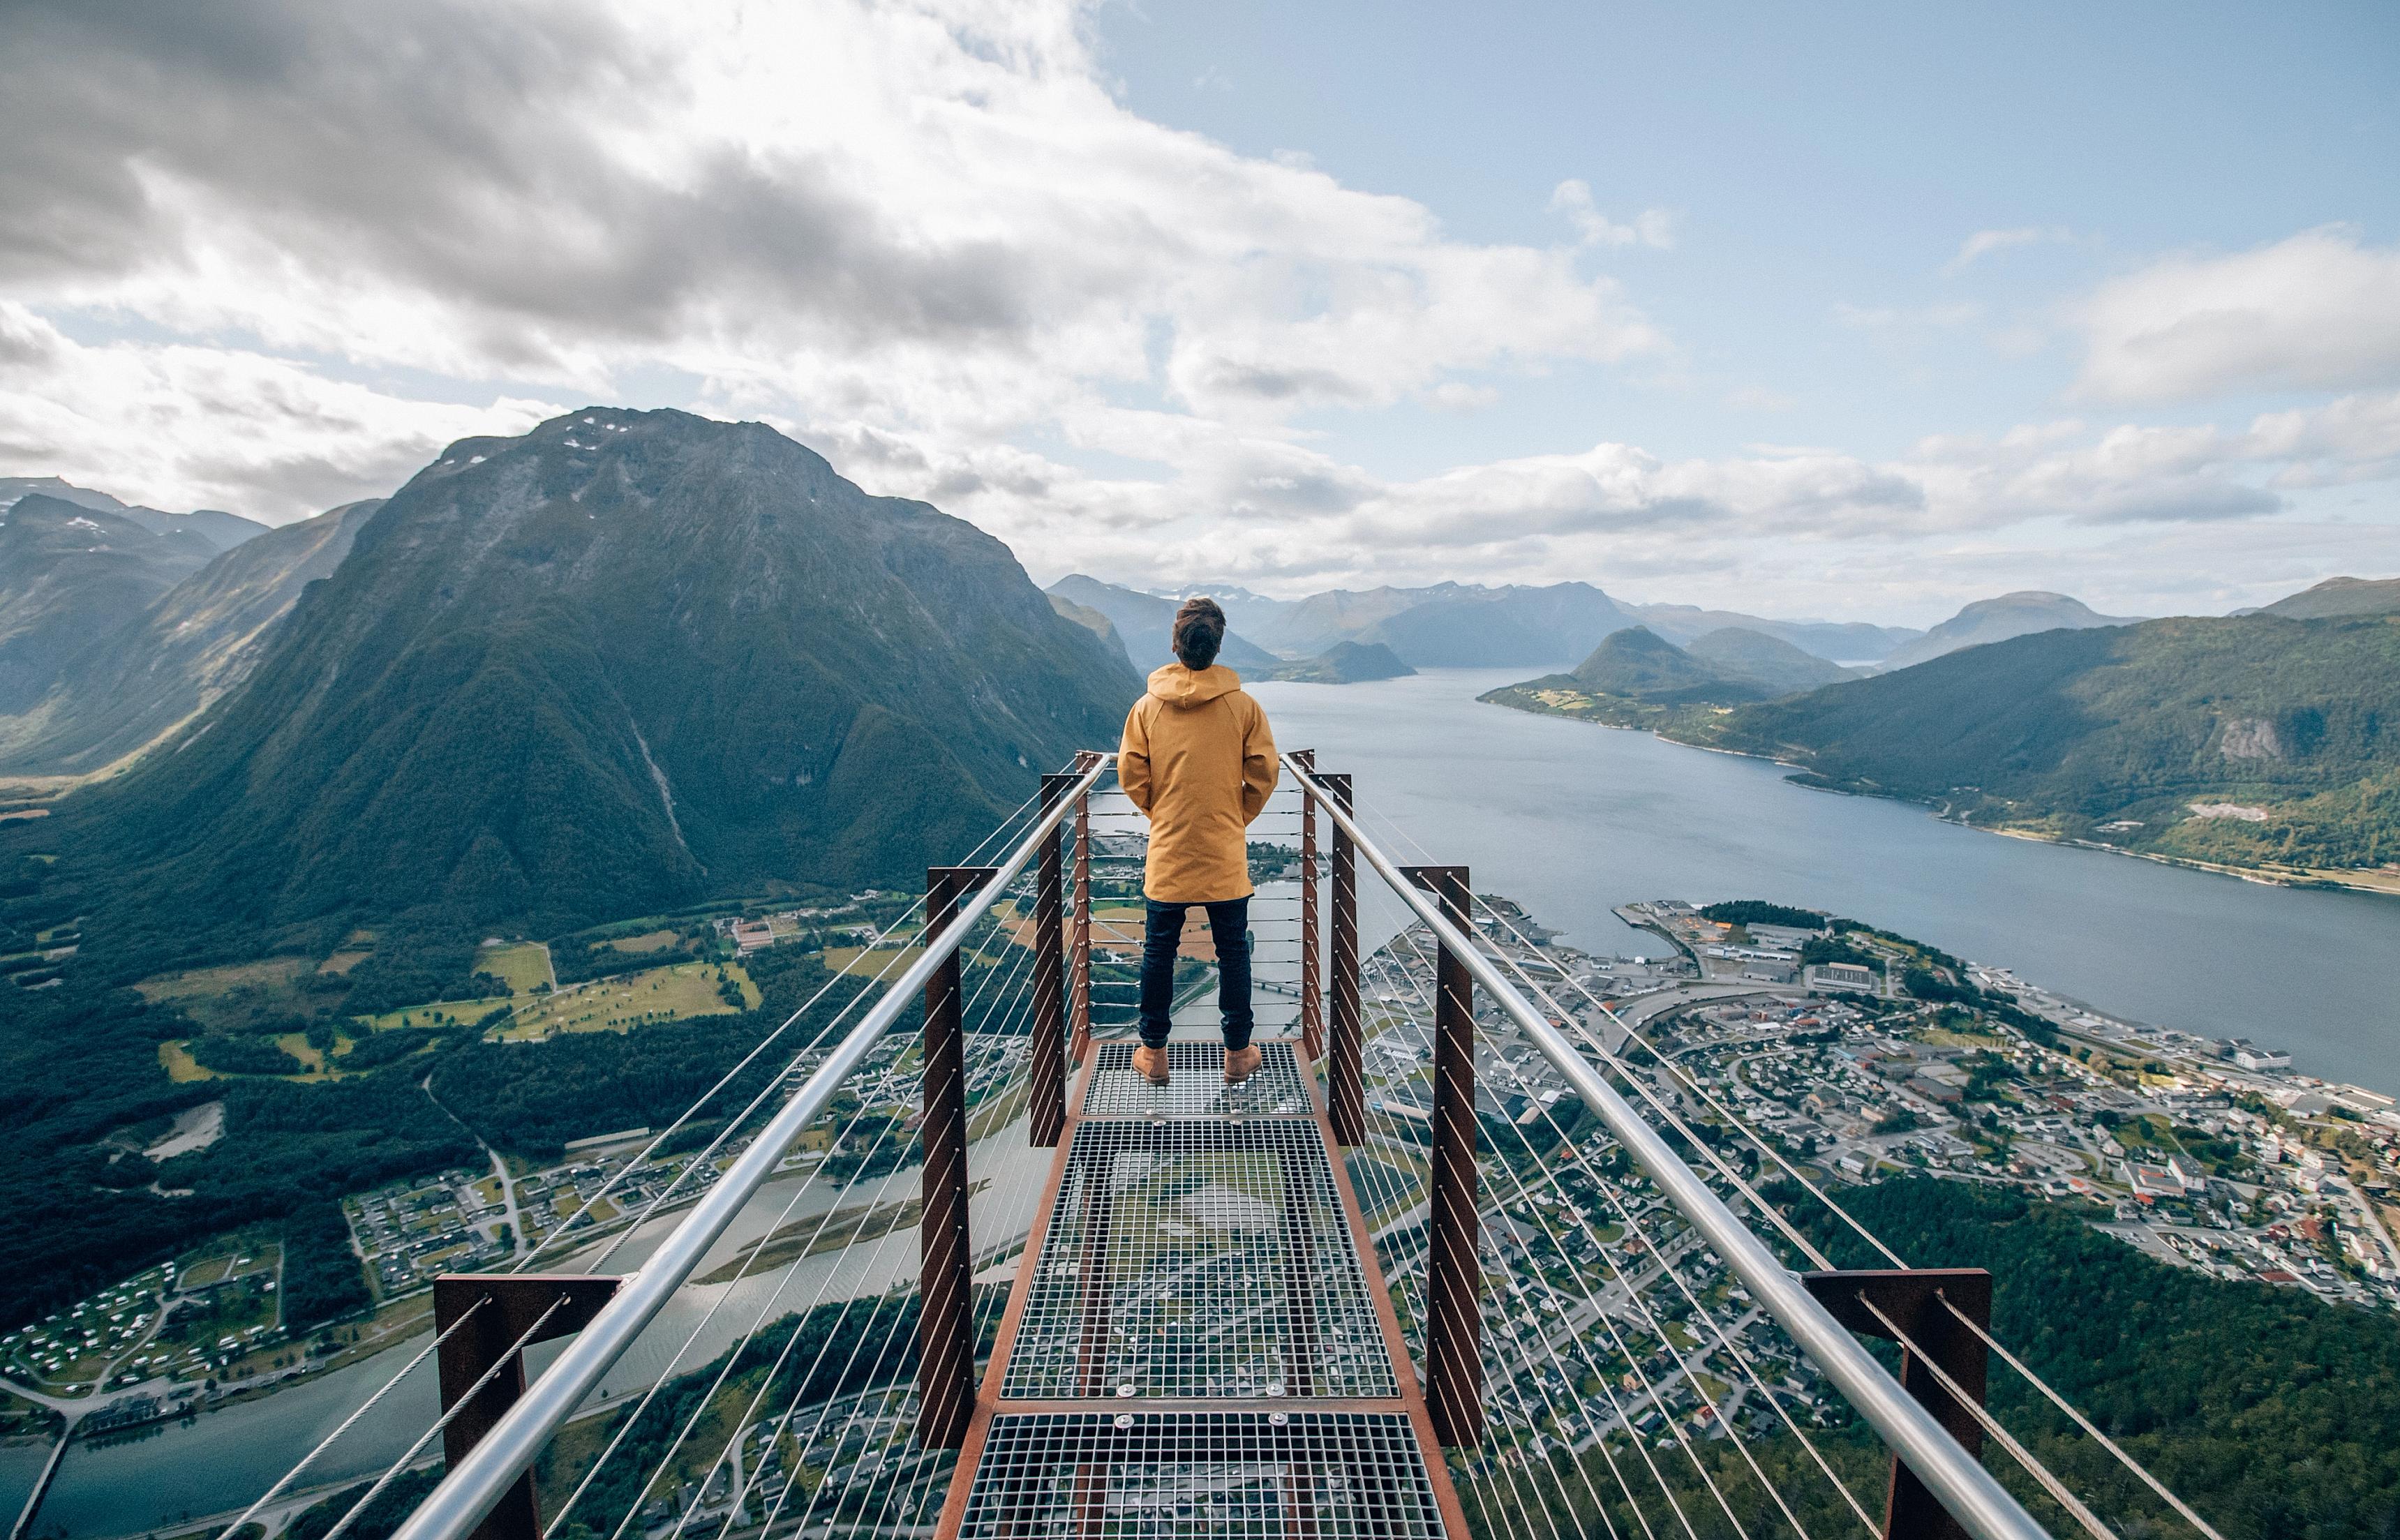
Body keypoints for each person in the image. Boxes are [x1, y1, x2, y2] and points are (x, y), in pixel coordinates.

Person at [1116, 596, 1279, 1086]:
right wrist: (1234, 816)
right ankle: (1238, 1054)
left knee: (1158, 953)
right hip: (1223, 852)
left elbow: (1131, 774)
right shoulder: (1243, 707)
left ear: (1175, 644)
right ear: (1218, 645)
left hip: (1169, 852)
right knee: (1233, 952)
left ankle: (1153, 1054)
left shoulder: (1146, 708)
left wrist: (1164, 813)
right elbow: (1263, 772)